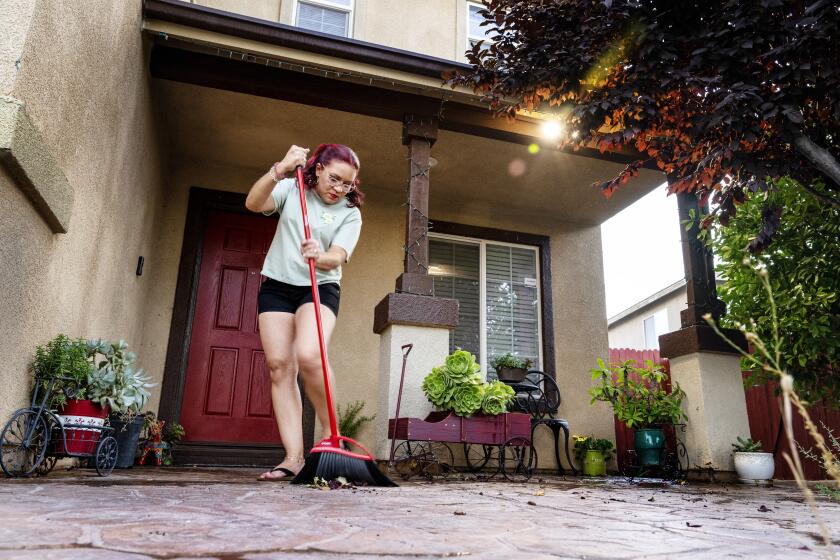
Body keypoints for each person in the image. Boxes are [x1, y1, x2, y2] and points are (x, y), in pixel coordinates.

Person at [245, 143, 364, 481]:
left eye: (347, 184)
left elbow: (338, 256)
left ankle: (331, 438)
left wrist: (320, 254)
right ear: (317, 169)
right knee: (280, 366)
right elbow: (253, 203)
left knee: (310, 354)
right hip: (278, 286)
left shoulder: (349, 213)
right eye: (334, 179)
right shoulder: (291, 188)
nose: (339, 189)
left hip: (320, 286)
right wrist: (279, 169)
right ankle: (294, 458)